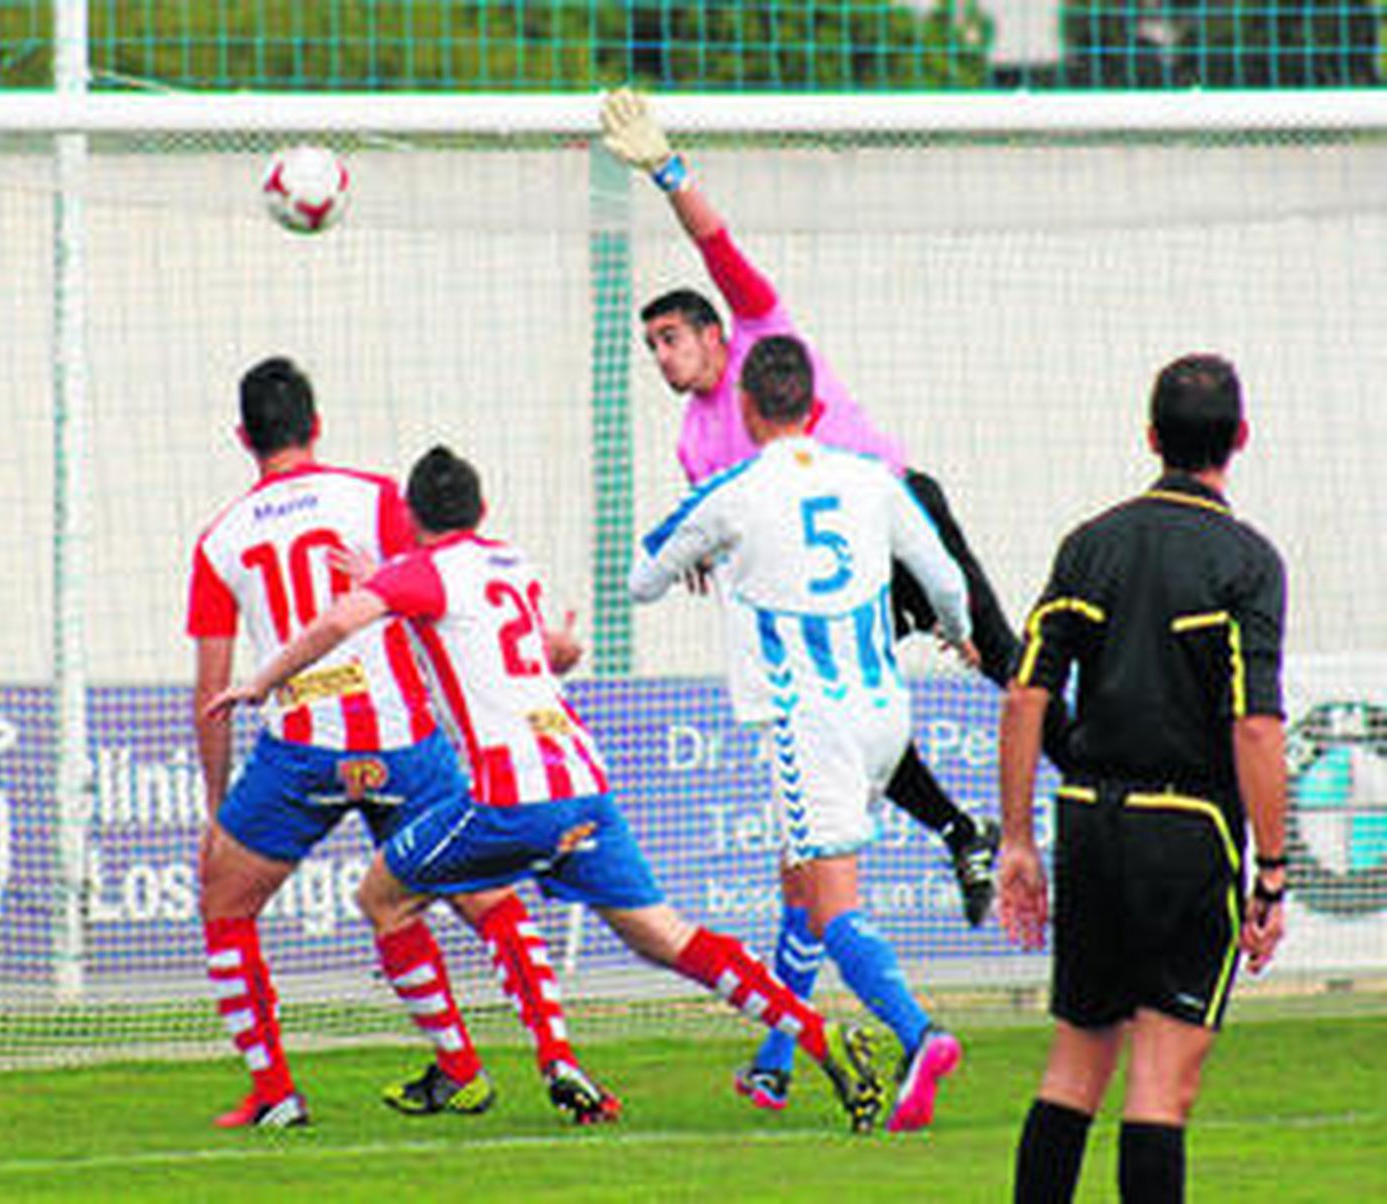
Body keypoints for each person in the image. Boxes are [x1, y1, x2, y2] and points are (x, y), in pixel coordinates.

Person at [205, 444, 889, 1135]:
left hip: (511, 800)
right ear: (483, 510)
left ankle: (460, 1068)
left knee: (382, 896)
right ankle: (813, 1031)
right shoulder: (511, 565)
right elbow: (526, 648)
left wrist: (263, 680)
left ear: (411, 517)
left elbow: (334, 623)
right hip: (583, 786)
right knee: (665, 937)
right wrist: (554, 646)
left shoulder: (420, 573)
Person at [600, 85, 1054, 1109]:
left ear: (729, 353)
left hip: (848, 620)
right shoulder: (732, 452)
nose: (666, 359)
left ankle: (921, 1018)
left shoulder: (760, 363)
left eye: (673, 340)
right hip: (862, 639)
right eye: (654, 347)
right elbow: (908, 572)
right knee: (803, 871)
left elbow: (724, 259)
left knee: (999, 680)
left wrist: (668, 172)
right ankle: (782, 1052)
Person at [189, 358, 618, 1128]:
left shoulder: (219, 540)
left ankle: (279, 1094)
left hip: (301, 749)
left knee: (226, 901)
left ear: (243, 437)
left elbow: (211, 693)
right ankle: (557, 1054)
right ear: (315, 426)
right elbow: (447, 581)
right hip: (403, 739)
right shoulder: (380, 498)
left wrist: (218, 810)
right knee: (483, 894)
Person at [628, 335, 971, 1133]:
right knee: (799, 883)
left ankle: (920, 1035)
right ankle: (777, 1065)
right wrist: (959, 633)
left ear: (747, 411)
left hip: (811, 720)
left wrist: (700, 554)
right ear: (815, 409)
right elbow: (946, 578)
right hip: (887, 710)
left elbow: (640, 580)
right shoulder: (871, 478)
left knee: (832, 899)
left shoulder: (731, 491)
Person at [997, 353, 1289, 1202]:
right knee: (1163, 1083)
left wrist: (1018, 838)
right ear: (1238, 439)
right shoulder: (1246, 561)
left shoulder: (1090, 545)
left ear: (1152, 437)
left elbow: (1026, 698)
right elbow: (1255, 725)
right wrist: (1271, 871)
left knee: (1073, 1067)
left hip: (1087, 818)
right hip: (1185, 830)